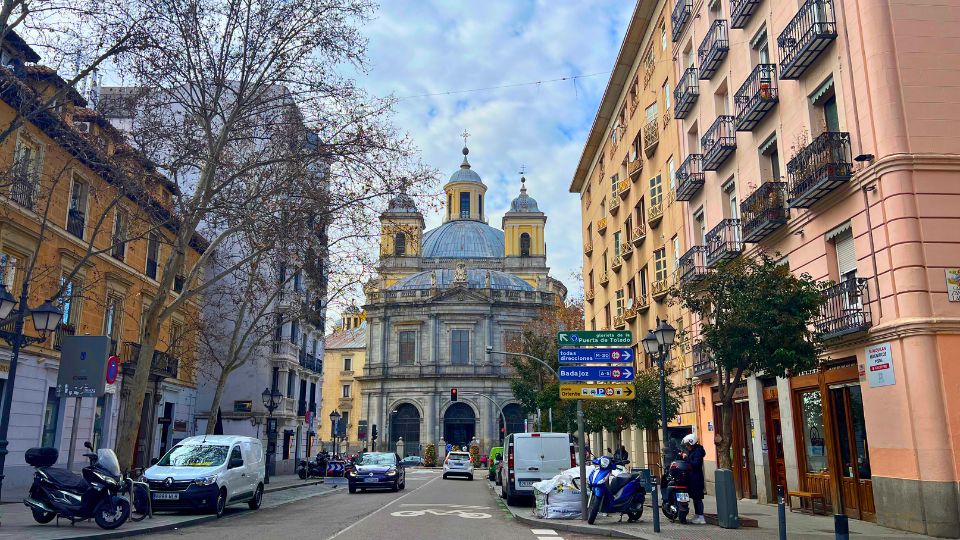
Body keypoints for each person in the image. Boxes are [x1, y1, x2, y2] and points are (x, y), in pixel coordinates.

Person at [680, 433, 706, 525]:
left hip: (696, 478)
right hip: (692, 477)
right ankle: (697, 515)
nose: (687, 447)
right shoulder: (694, 451)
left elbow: (696, 464)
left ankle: (701, 516)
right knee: (695, 497)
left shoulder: (698, 451)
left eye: (688, 445)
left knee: (697, 497)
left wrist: (686, 458)